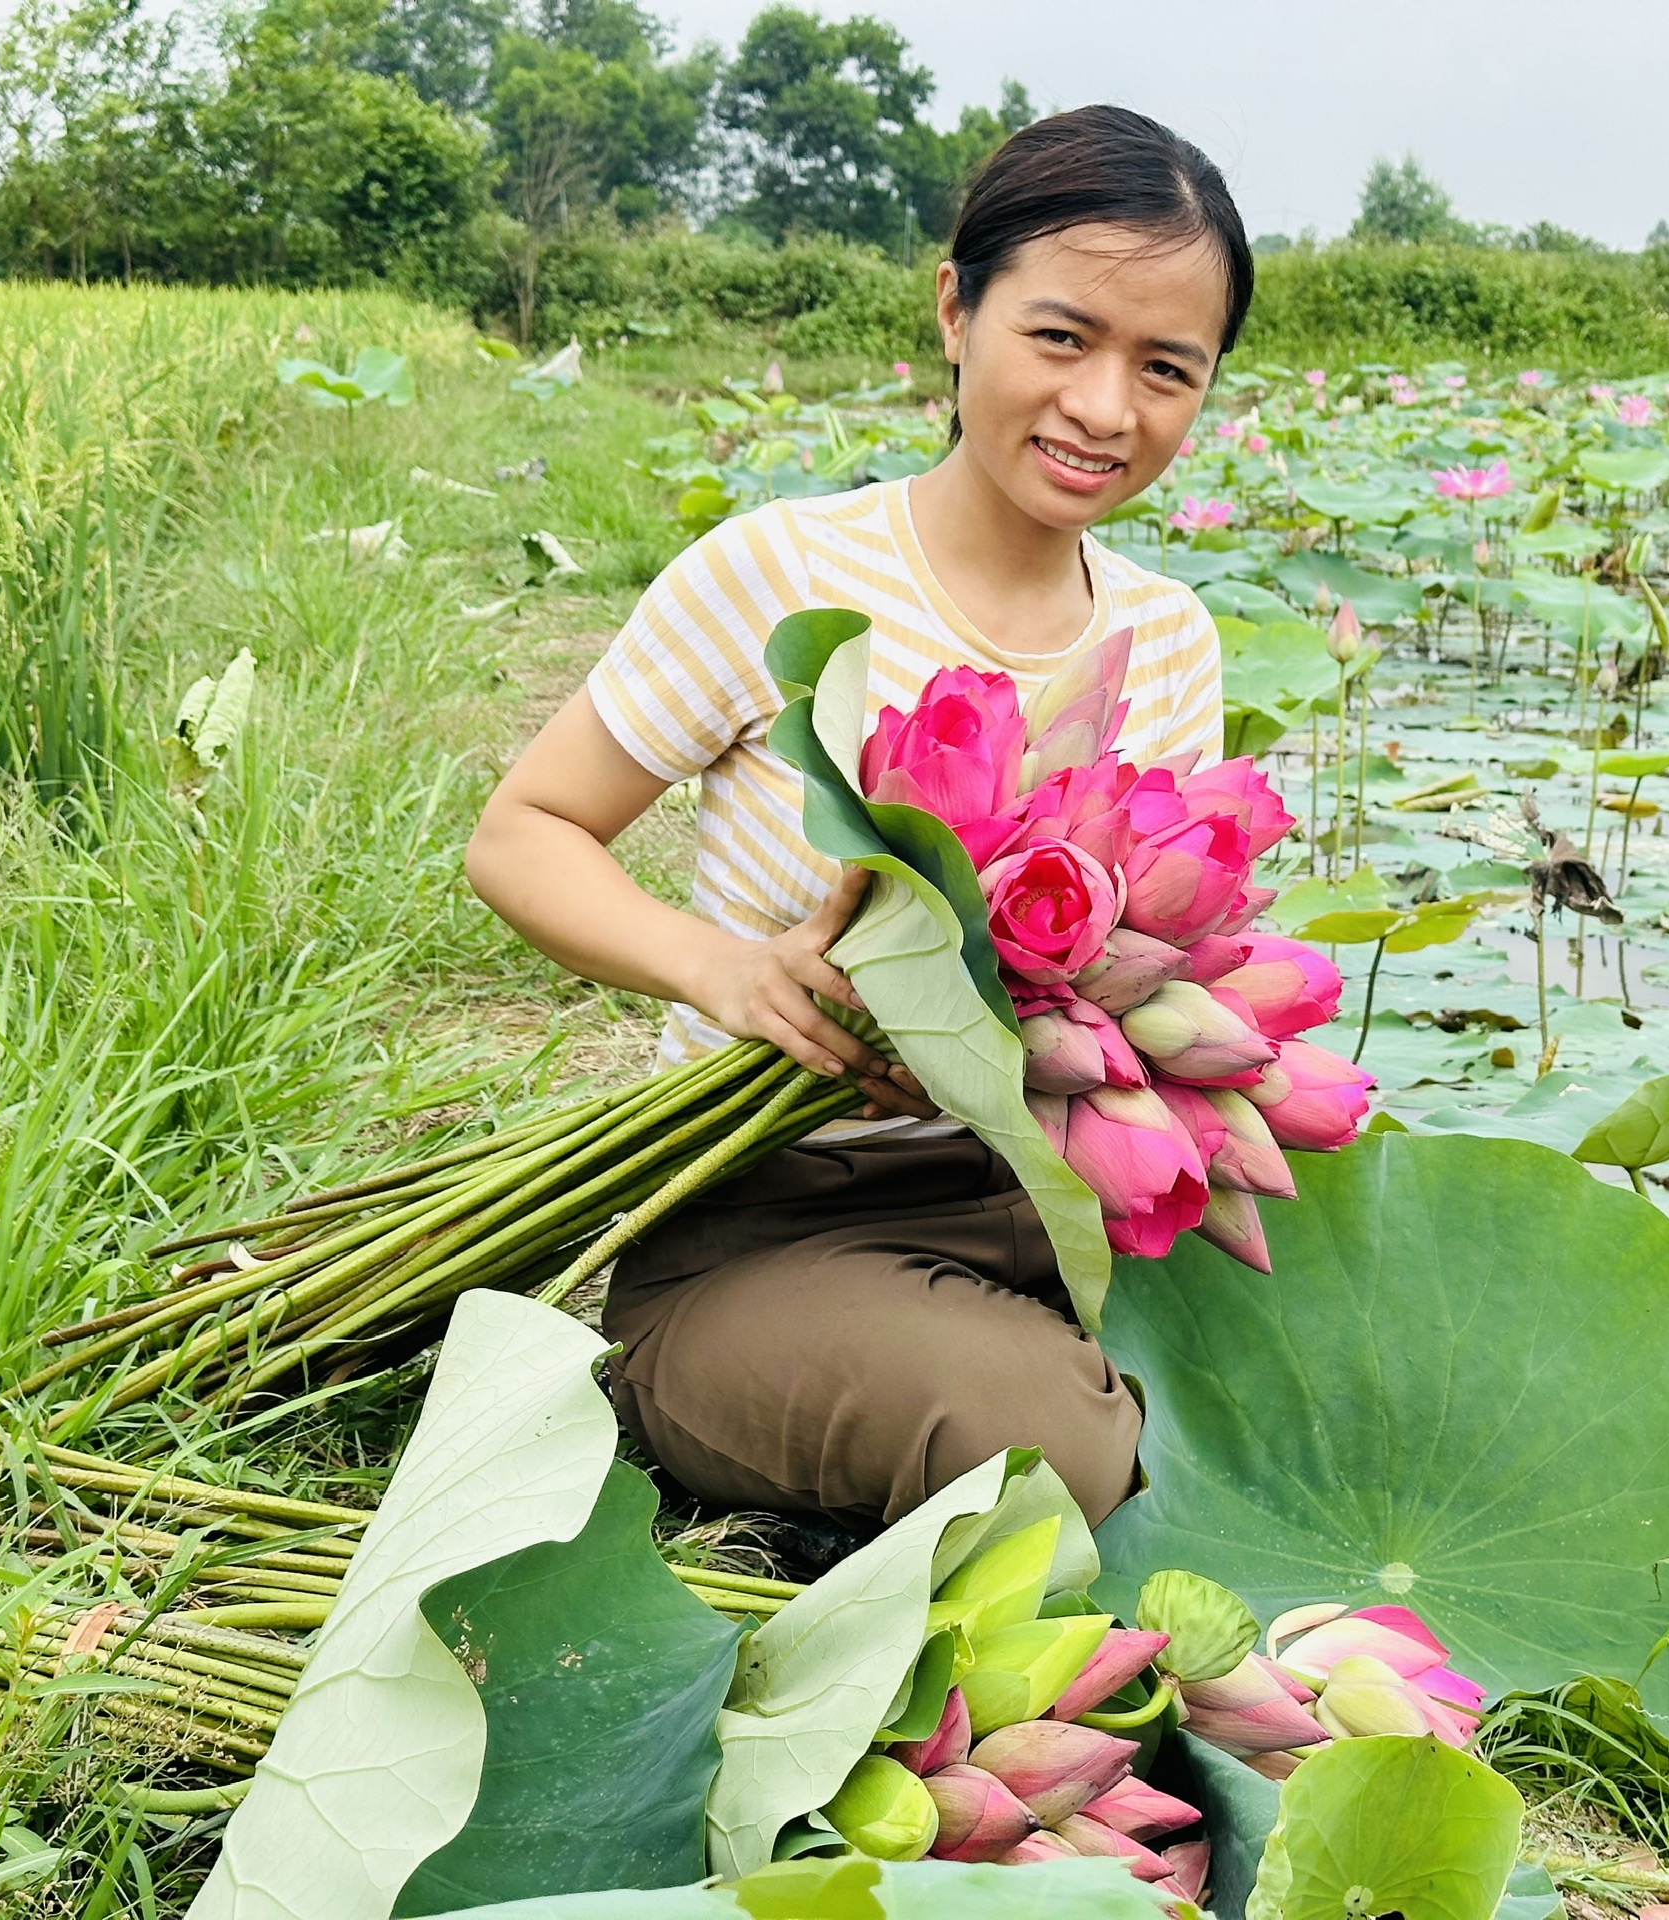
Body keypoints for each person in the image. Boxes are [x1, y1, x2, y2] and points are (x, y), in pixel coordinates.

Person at [466, 105, 1254, 1534]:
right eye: (1061, 338)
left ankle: (1053, 1392)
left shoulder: (1171, 636)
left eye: (1166, 369)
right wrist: (725, 969)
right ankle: (822, 1401)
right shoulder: (781, 572)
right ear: (956, 310)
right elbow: (521, 834)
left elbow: (1150, 977)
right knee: (1051, 1457)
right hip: (768, 1207)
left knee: (1326, 1335)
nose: (1103, 409)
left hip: (1035, 1192)